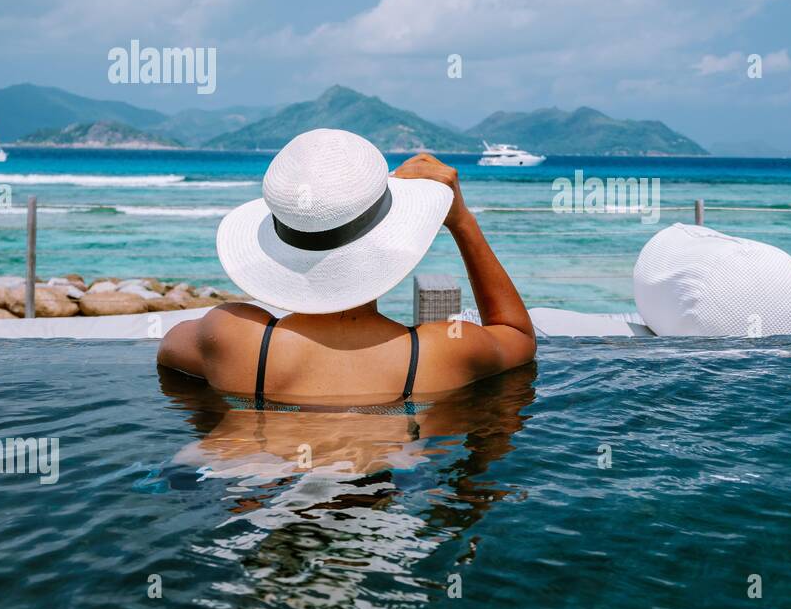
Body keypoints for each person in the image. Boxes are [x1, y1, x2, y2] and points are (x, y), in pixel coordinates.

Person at [157, 129, 535, 405]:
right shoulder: (441, 352)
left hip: (257, 492)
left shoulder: (230, 336)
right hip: (384, 499)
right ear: (389, 239)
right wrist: (462, 221)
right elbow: (517, 335)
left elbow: (168, 350)